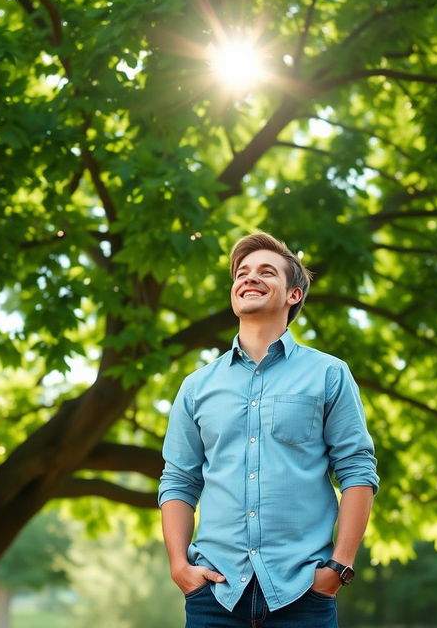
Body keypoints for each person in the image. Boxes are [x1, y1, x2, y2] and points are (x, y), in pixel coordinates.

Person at [158, 232, 379, 627]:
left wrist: (338, 568)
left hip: (303, 595)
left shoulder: (328, 374)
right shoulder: (197, 387)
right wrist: (179, 566)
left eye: (266, 272)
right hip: (215, 595)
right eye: (241, 273)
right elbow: (178, 480)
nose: (249, 278)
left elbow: (357, 471)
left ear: (294, 294)